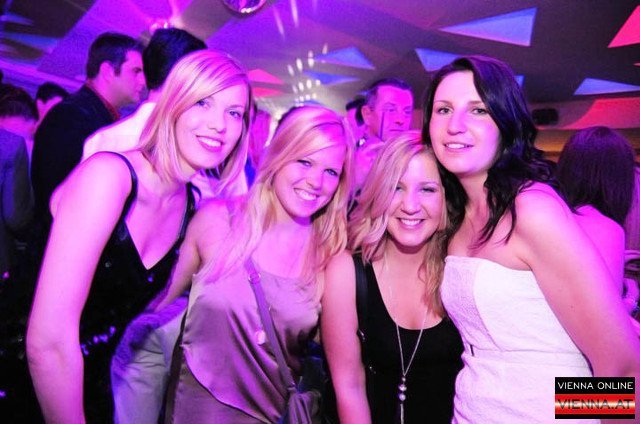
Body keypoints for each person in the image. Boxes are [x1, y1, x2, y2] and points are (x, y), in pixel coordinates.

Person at [26, 49, 252, 423]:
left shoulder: (189, 207)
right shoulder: (110, 177)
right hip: (30, 380)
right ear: (174, 103)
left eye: (234, 113)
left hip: (90, 386)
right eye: (203, 103)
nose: (219, 125)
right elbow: (47, 344)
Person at [422, 55, 640, 423]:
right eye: (443, 109)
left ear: (505, 123)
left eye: (478, 110)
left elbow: (623, 368)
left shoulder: (531, 209)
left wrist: (554, 408)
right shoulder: (458, 214)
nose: (455, 126)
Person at [155, 105, 352, 423]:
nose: (315, 181)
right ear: (279, 154)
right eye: (304, 161)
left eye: (331, 172)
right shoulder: (217, 220)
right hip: (188, 411)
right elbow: (160, 305)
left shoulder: (330, 259)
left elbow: (344, 368)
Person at [322, 131, 462, 424]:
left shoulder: (463, 271)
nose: (410, 205)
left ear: (447, 198)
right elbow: (348, 387)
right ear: (379, 193)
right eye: (396, 188)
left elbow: (558, 359)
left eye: (427, 190)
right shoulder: (348, 272)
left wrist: (568, 412)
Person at [31, 32, 145, 237]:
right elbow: (60, 197)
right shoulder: (71, 116)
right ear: (108, 71)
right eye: (136, 71)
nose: (143, 81)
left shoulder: (95, 114)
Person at [556, 126, 635, 290]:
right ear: (620, 179)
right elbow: (607, 307)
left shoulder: (552, 217)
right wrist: (632, 294)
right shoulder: (605, 228)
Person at [353, 78, 413, 192]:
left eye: (407, 112)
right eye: (390, 110)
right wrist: (353, 183)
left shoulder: (415, 161)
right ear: (367, 114)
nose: (400, 120)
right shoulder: (346, 158)